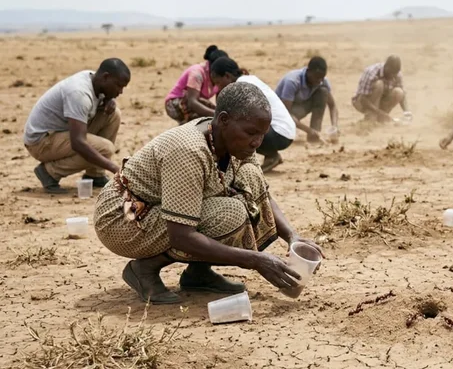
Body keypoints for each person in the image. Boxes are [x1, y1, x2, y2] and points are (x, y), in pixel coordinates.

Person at [94, 81, 324, 304]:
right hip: (123, 216)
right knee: (230, 214)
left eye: (262, 134)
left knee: (250, 177)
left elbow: (261, 192)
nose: (257, 142)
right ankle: (144, 269)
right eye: (252, 132)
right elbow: (181, 235)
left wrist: (293, 237)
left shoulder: (235, 141)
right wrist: (255, 260)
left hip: (153, 209)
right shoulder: (189, 150)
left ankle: (198, 274)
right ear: (223, 120)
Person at [23, 58, 130, 194]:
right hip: (40, 142)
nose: (121, 91)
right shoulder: (79, 93)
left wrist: (110, 99)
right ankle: (49, 172)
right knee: (105, 149)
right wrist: (114, 168)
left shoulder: (94, 79)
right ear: (106, 77)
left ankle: (95, 174)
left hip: (60, 131)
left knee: (113, 115)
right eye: (118, 86)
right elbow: (78, 143)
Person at [237, 73, 296, 172]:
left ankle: (267, 158)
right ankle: (271, 155)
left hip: (278, 134)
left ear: (227, 76)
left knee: (239, 131)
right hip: (287, 133)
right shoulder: (251, 79)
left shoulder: (241, 84)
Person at [275, 56, 339, 143]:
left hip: (299, 108)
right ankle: (312, 133)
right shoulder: (292, 81)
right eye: (317, 77)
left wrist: (334, 126)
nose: (319, 81)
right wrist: (308, 130)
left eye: (322, 77)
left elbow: (332, 105)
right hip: (280, 115)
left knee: (323, 92)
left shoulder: (322, 81)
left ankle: (314, 137)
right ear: (308, 72)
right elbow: (286, 114)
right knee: (281, 137)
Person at [164, 45, 228, 124]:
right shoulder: (197, 73)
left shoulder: (220, 77)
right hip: (176, 103)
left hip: (195, 102)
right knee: (204, 120)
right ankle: (187, 130)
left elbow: (219, 103)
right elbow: (192, 102)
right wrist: (216, 115)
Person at [352, 56, 411, 123]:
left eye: (395, 75)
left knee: (399, 92)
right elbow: (363, 99)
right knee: (379, 84)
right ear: (386, 67)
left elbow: (403, 96)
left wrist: (407, 112)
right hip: (361, 102)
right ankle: (370, 117)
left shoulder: (396, 74)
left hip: (380, 103)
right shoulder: (371, 73)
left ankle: (380, 119)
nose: (393, 77)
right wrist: (379, 112)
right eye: (391, 74)